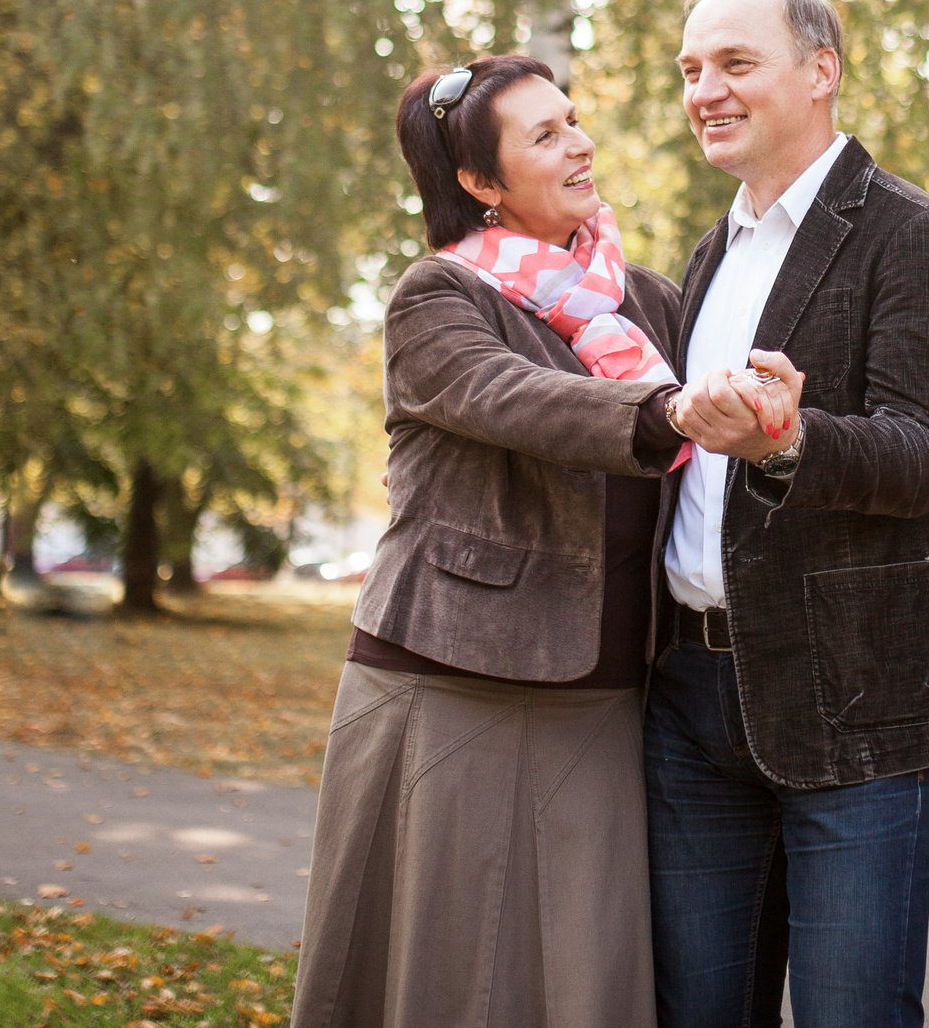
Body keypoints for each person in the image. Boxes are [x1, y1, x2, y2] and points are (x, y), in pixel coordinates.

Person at [295, 54, 767, 1027]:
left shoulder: (645, 299)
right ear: (479, 182)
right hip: (448, 681)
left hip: (598, 693)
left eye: (574, 120)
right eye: (544, 135)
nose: (579, 143)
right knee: (438, 978)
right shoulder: (438, 296)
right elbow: (516, 401)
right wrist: (669, 409)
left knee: (583, 978)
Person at [647, 0, 929, 1028]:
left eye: (735, 63)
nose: (706, 88)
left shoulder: (913, 236)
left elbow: (919, 454)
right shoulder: (713, 254)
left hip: (859, 705)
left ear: (822, 72)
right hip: (690, 706)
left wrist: (792, 439)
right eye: (691, 69)